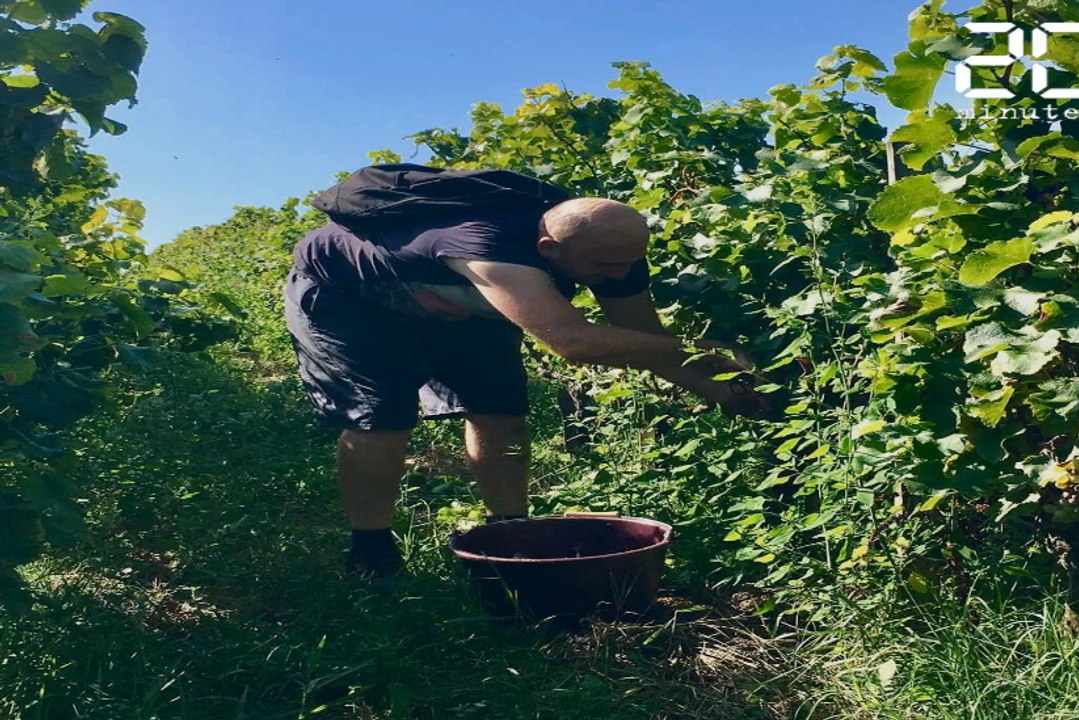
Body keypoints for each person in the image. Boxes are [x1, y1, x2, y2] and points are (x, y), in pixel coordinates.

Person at [284, 166, 767, 578]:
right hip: (351, 300)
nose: (620, 276)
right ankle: (372, 551)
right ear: (549, 248)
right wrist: (711, 348)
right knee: (382, 417)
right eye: (607, 266)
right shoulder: (491, 246)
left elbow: (645, 340)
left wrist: (718, 389)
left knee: (501, 409)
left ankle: (509, 532)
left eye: (630, 263)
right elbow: (573, 341)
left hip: (464, 302)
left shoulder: (613, 253)